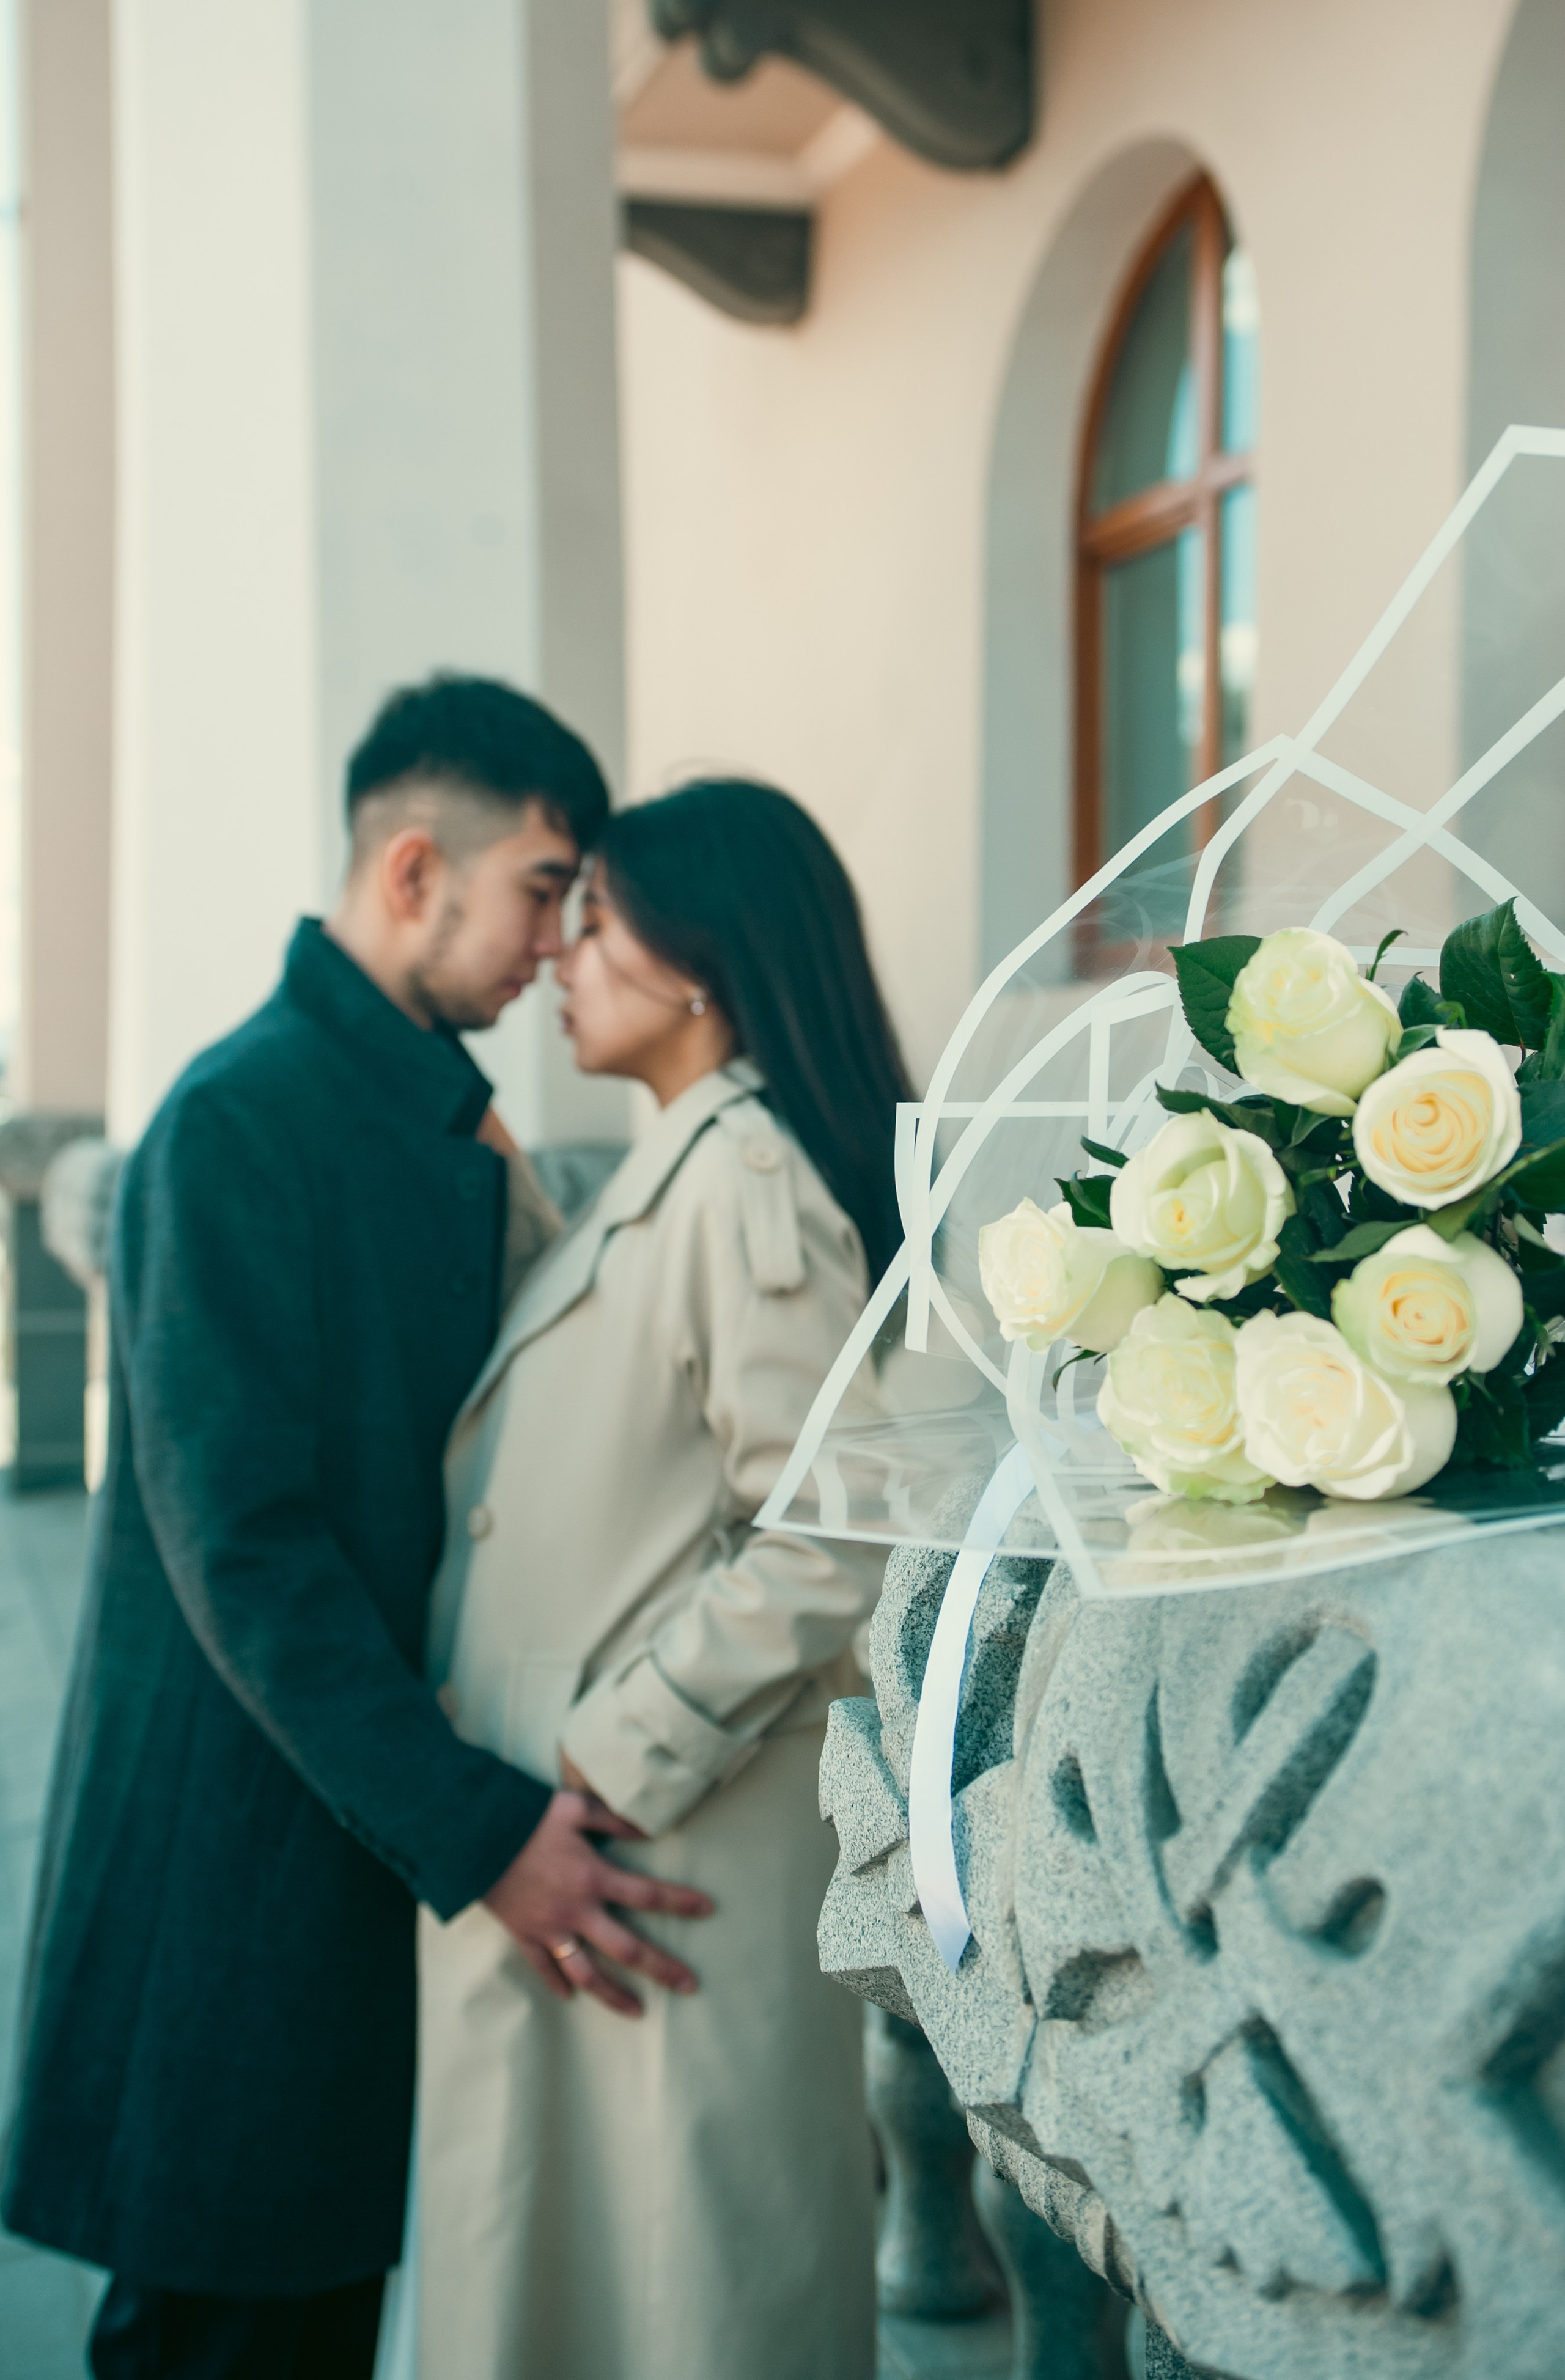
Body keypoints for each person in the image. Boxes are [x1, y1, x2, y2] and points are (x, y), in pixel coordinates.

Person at [0, 677, 712, 2380]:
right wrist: (485, 1834)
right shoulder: (238, 1119)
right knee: (221, 2336)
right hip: (239, 1868)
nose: (560, 942)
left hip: (350, 1832)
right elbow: (244, 1550)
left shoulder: (424, 1109)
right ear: (415, 871)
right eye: (544, 889)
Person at [409, 779, 913, 2380]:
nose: (560, 953)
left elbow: (837, 1531)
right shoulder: (682, 1168)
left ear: (700, 961)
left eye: (600, 921)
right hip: (594, 1851)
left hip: (656, 1843)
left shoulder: (746, 1172)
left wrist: (596, 1755)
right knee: (579, 2282)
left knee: (695, 2294)